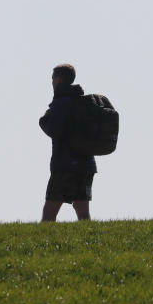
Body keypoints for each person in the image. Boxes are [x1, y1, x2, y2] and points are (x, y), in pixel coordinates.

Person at [39, 63, 96, 221]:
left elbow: (54, 130)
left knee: (50, 210)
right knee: (83, 211)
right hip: (86, 164)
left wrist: (43, 120)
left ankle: (43, 242)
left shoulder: (61, 103)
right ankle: (90, 240)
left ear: (58, 79)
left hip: (65, 165)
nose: (51, 82)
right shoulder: (83, 101)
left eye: (52, 78)